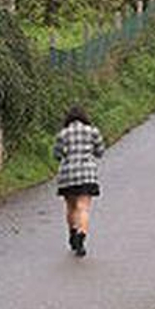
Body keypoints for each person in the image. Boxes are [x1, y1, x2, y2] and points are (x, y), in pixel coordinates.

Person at [53, 106, 105, 257]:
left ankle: (72, 233)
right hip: (87, 174)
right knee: (83, 206)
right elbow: (100, 151)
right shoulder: (93, 132)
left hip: (67, 175)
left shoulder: (62, 134)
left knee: (71, 206)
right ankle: (81, 236)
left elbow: (57, 154)